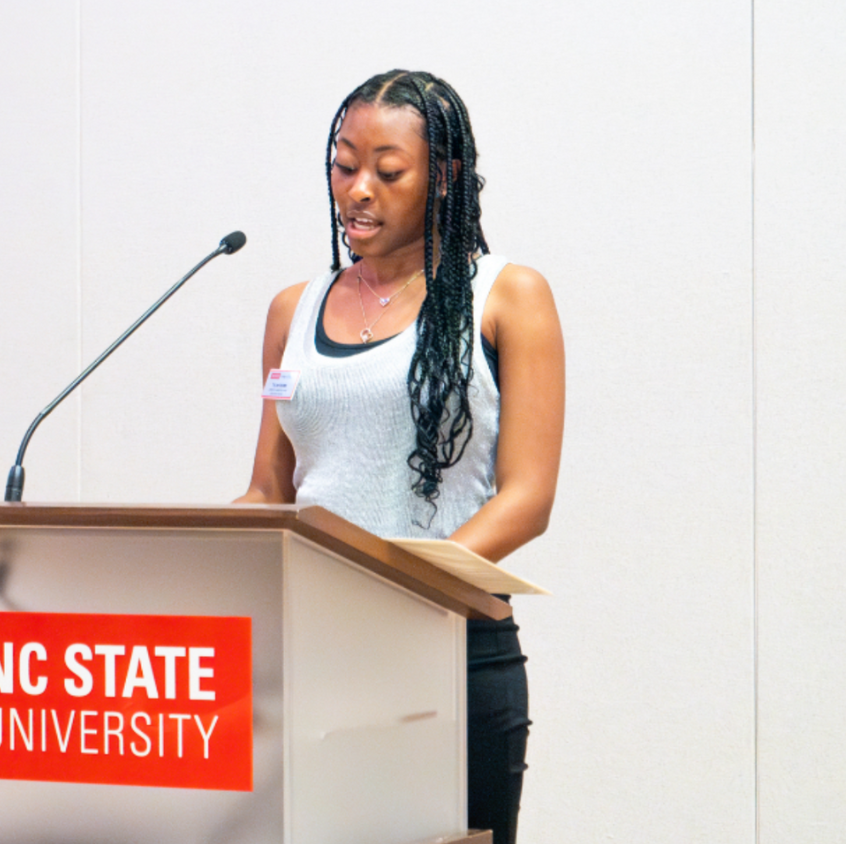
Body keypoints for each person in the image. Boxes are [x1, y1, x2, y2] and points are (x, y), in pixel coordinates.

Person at [235, 69, 564, 844]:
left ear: (443, 176)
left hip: (450, 654)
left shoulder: (508, 298)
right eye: (344, 166)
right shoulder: (294, 309)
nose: (357, 190)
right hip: (313, 659)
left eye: (387, 172)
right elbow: (268, 490)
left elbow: (527, 498)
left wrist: (393, 587)